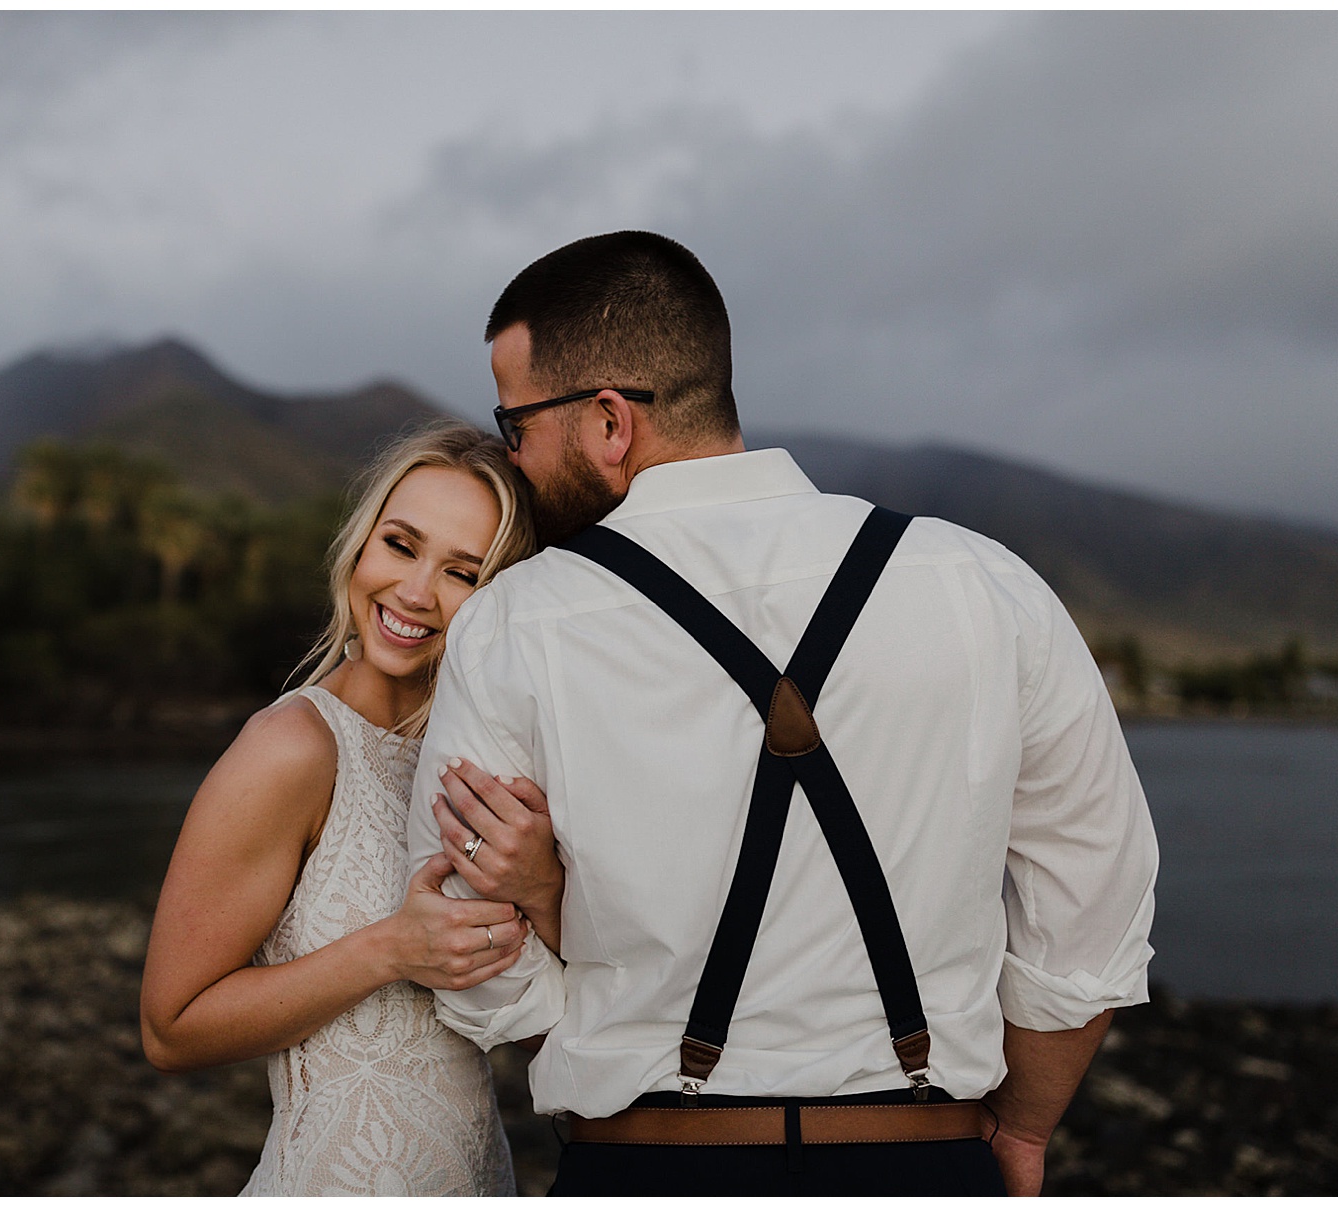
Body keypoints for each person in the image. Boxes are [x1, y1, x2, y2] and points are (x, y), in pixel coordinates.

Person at [408, 231, 1159, 1195]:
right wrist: (1020, 1130)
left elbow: (463, 947)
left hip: (648, 1168)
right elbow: (1095, 901)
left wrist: (597, 994)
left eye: (515, 424)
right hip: (922, 1164)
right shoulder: (984, 582)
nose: (513, 455)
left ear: (607, 422)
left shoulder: (517, 620)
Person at [139, 423, 564, 1196]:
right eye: (400, 545)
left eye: (461, 571)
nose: (413, 590)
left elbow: (552, 1028)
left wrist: (542, 889)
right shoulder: (290, 747)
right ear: (361, 545)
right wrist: (389, 950)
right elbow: (171, 1029)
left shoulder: (488, 767)